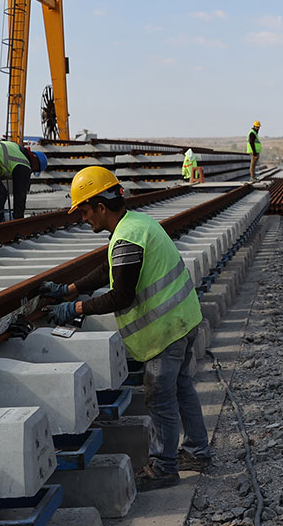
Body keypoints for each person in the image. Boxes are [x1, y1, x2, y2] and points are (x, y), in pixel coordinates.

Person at [42, 166, 212, 491]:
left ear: (101, 207)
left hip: (165, 331)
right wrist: (71, 289)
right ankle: (197, 452)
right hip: (183, 319)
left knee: (160, 398)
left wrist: (73, 308)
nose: (83, 218)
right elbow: (111, 266)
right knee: (182, 388)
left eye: (85, 211)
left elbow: (121, 295)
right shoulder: (136, 224)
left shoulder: (126, 237)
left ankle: (164, 467)